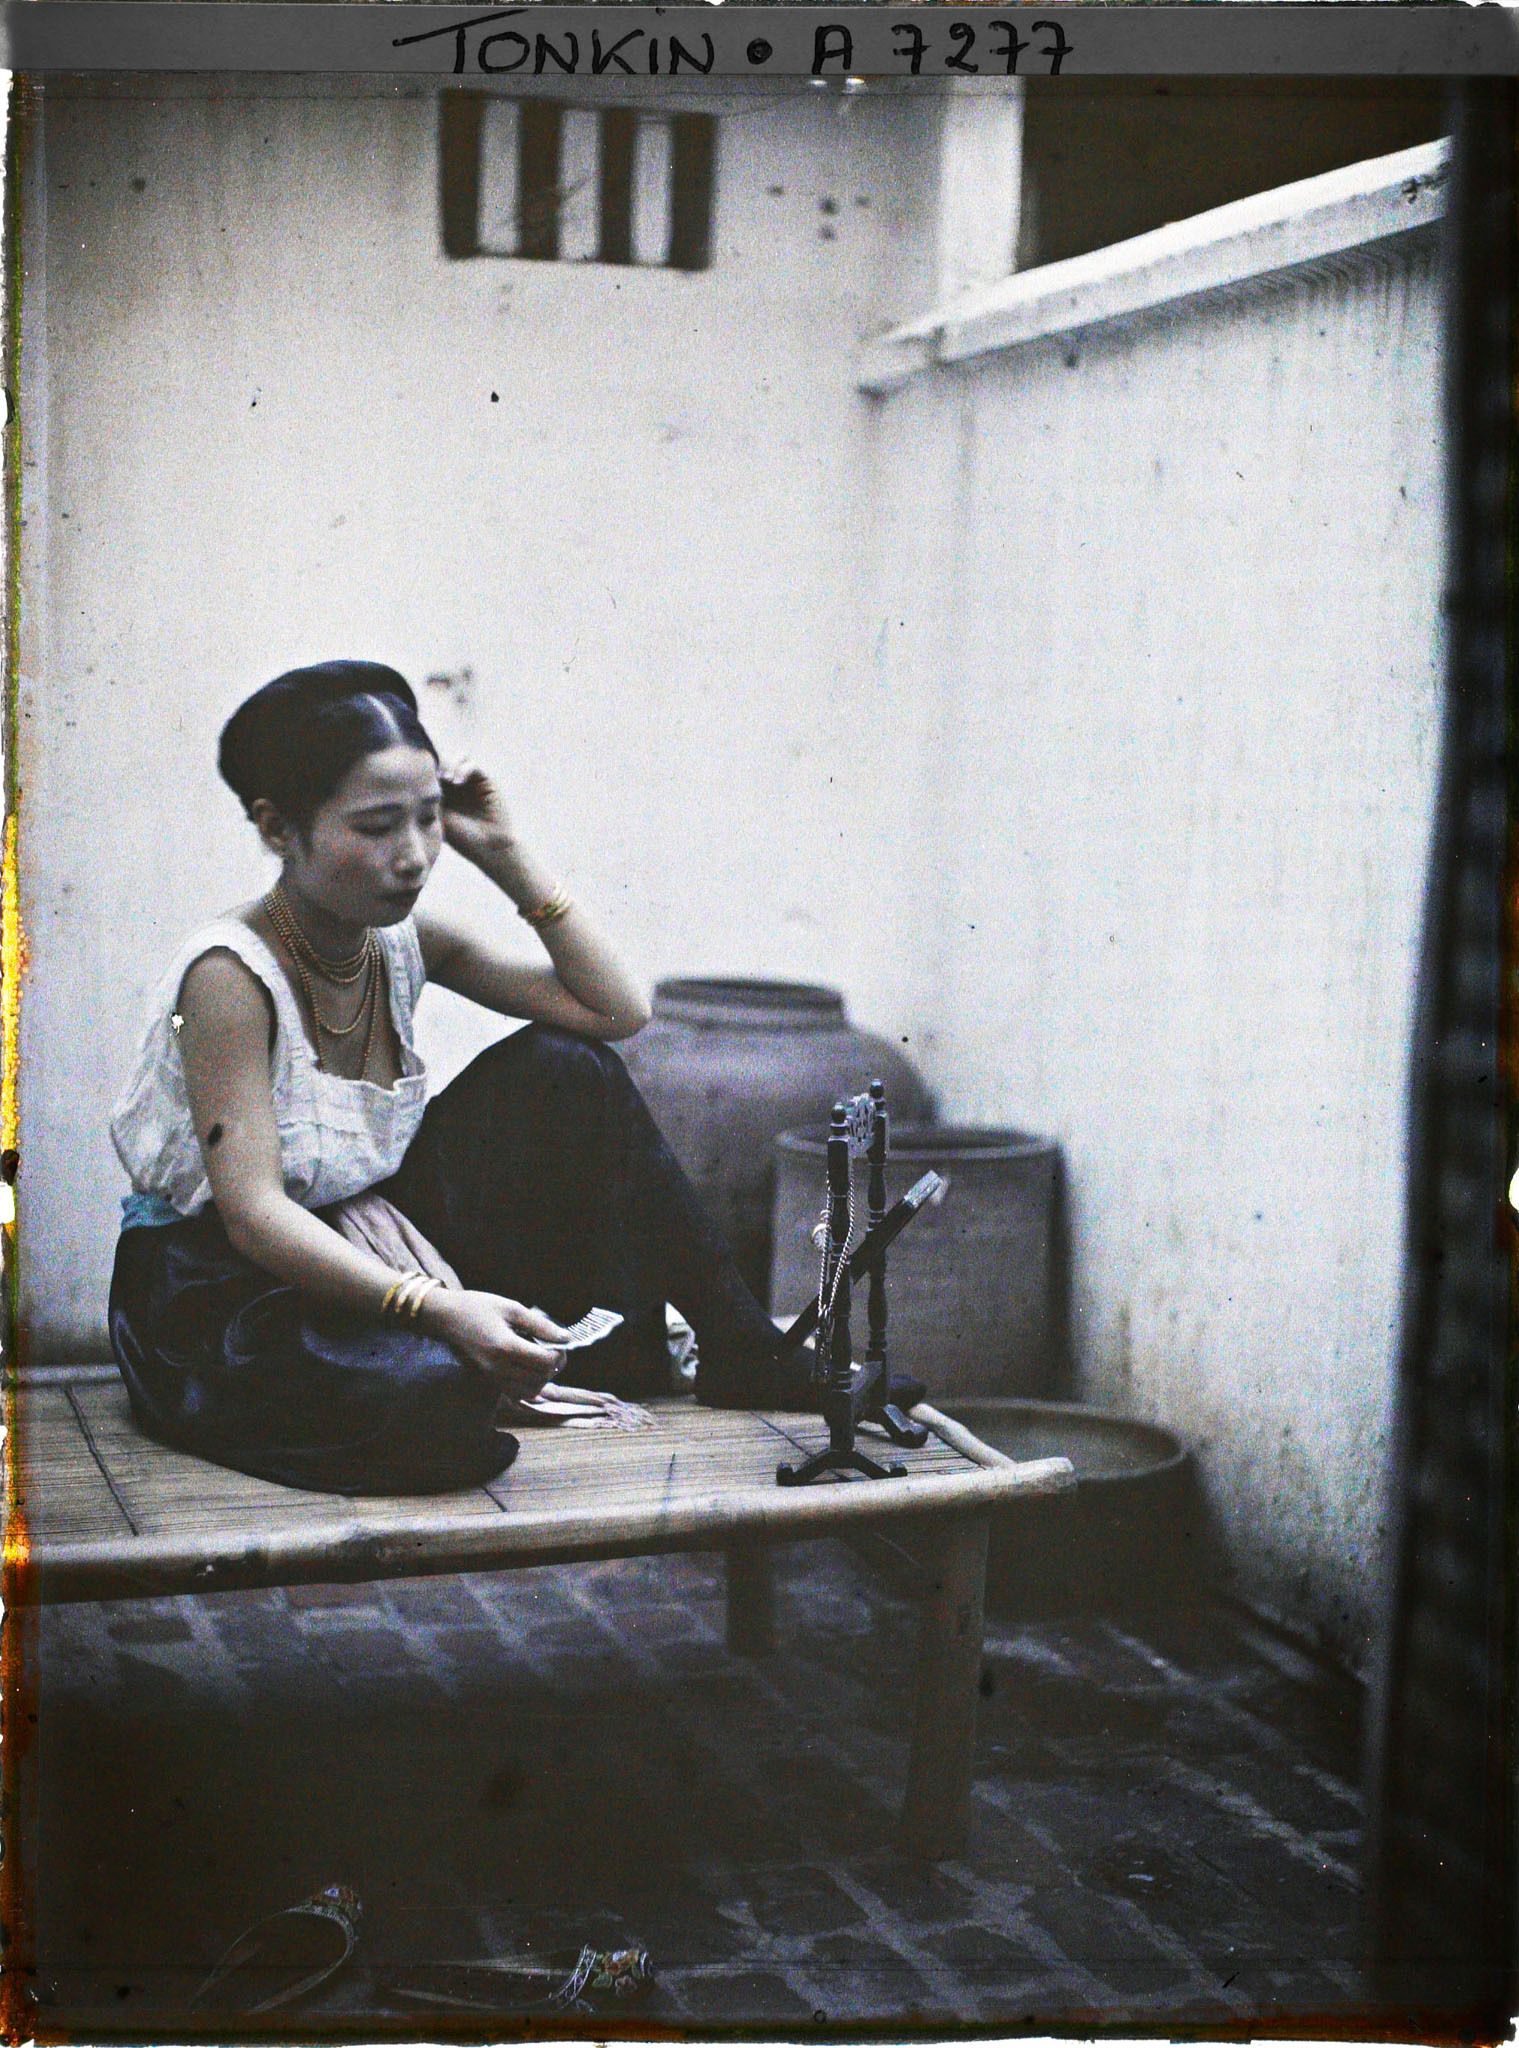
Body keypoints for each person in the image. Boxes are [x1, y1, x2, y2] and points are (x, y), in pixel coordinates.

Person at [107, 659, 818, 1497]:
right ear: (276, 827)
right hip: (222, 1293)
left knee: (567, 1066)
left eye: (427, 819)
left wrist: (507, 856)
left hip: (369, 1235)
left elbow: (613, 1012)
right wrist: (440, 1310)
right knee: (436, 1401)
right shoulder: (229, 978)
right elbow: (256, 1219)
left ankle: (741, 1347)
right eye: (375, 826)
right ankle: (454, 1363)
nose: (412, 857)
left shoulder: (403, 940)